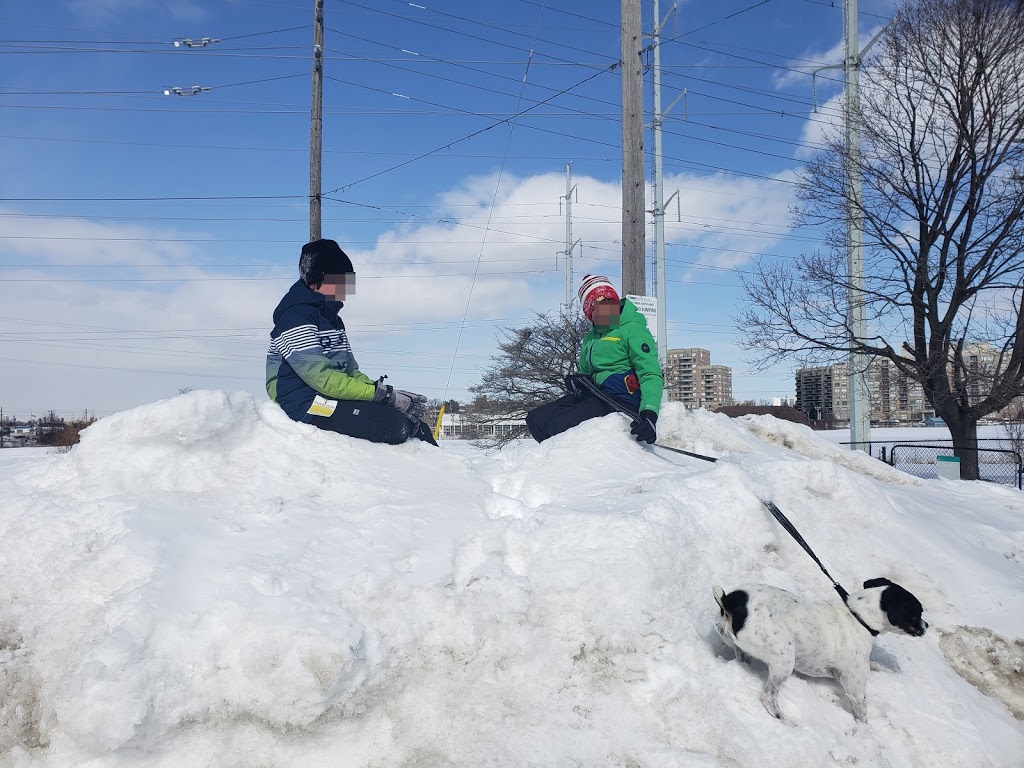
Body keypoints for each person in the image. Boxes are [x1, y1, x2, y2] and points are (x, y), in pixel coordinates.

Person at [266, 239, 436, 445]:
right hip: (302, 401)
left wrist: (386, 392)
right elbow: (322, 379)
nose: (345, 288)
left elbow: (350, 371)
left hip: (329, 395)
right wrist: (380, 396)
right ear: (316, 280)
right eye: (339, 281)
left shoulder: (334, 319)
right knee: (394, 425)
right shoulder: (295, 317)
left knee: (417, 425)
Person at [526, 274, 664, 444]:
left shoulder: (633, 329)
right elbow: (586, 373)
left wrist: (649, 414)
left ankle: (567, 463)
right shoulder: (591, 337)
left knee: (557, 425)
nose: (605, 310)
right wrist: (578, 381)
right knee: (536, 420)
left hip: (620, 398)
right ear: (589, 311)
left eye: (609, 303)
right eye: (598, 307)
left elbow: (650, 373)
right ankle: (554, 459)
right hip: (595, 394)